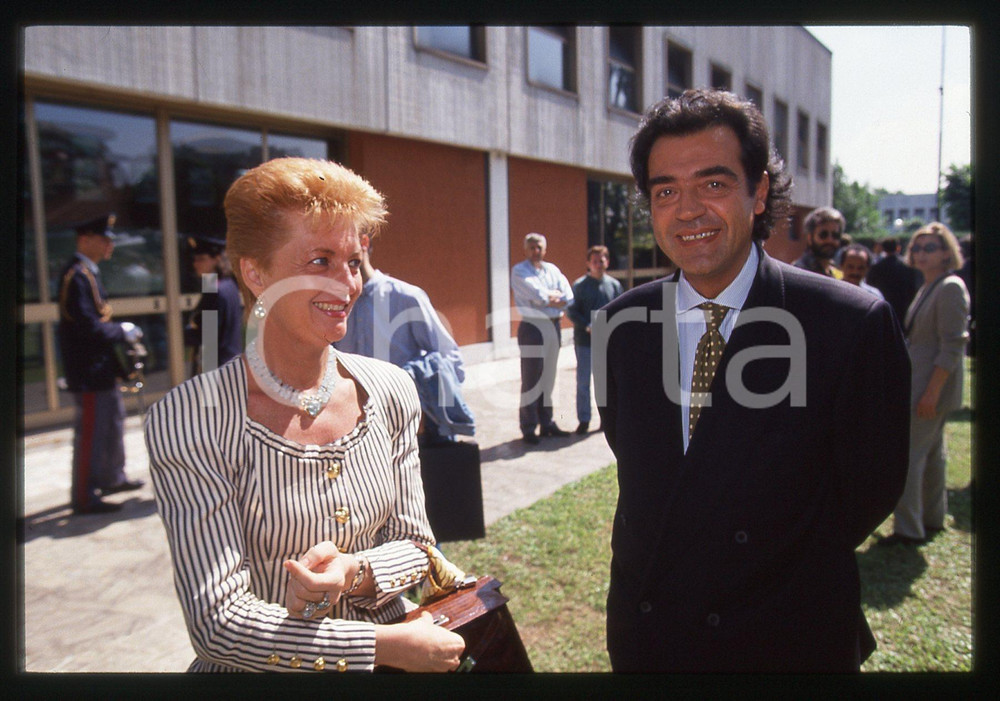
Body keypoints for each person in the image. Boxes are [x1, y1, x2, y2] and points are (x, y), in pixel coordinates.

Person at [596, 89, 910, 672]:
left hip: (787, 636)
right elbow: (640, 465)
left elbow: (872, 485)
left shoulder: (849, 323)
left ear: (759, 190)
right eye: (665, 191)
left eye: (713, 184)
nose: (687, 210)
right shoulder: (619, 327)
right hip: (650, 638)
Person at [145, 158, 464, 673]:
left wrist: (354, 572)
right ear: (255, 271)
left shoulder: (390, 389)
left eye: (354, 261)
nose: (347, 284)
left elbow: (417, 546)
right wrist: (380, 647)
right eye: (320, 261)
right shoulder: (188, 420)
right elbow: (218, 624)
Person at [880, 223, 969, 546]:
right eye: (916, 247)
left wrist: (931, 393)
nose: (920, 254)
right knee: (932, 454)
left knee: (911, 457)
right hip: (923, 381)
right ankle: (931, 518)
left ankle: (909, 528)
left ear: (947, 252)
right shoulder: (931, 285)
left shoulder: (949, 287)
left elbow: (953, 345)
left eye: (929, 247)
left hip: (930, 384)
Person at [334, 241, 474, 445]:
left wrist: (434, 409)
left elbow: (449, 356)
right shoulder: (333, 305)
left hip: (411, 424)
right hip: (358, 426)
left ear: (364, 241)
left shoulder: (406, 297)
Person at [57, 213, 145, 515]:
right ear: (86, 239)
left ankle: (111, 478)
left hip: (101, 369)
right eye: (104, 238)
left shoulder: (88, 273)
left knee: (111, 427)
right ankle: (84, 495)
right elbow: (87, 328)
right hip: (89, 372)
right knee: (92, 435)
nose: (110, 245)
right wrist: (122, 331)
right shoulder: (77, 275)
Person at [510, 232, 574, 445]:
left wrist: (550, 298)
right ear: (525, 250)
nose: (536, 251)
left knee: (548, 378)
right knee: (531, 380)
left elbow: (568, 296)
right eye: (532, 247)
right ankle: (529, 427)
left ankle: (547, 423)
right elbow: (538, 296)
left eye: (539, 248)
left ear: (545, 250)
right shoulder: (519, 271)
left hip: (553, 327)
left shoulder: (553, 270)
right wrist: (549, 297)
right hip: (533, 328)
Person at [566, 245, 623, 435]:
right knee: (583, 382)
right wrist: (586, 325)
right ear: (588, 263)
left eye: (602, 260)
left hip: (608, 343)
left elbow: (621, 309)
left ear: (608, 262)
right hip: (585, 342)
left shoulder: (614, 285)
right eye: (595, 261)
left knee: (605, 383)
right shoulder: (580, 286)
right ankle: (584, 420)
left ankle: (605, 421)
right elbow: (571, 311)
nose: (599, 264)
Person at [183, 235, 243, 376]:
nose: (196, 264)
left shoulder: (215, 290)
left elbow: (208, 336)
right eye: (195, 259)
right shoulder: (227, 284)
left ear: (216, 259)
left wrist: (185, 334)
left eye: (202, 259)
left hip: (217, 366)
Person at [865, 236, 921, 326]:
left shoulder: (876, 268)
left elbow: (870, 286)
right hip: (903, 306)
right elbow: (913, 287)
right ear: (898, 248)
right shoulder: (908, 267)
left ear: (883, 248)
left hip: (883, 305)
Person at [793, 206, 845, 279]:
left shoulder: (838, 275)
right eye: (823, 235)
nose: (830, 240)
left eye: (835, 235)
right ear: (810, 238)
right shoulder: (798, 272)